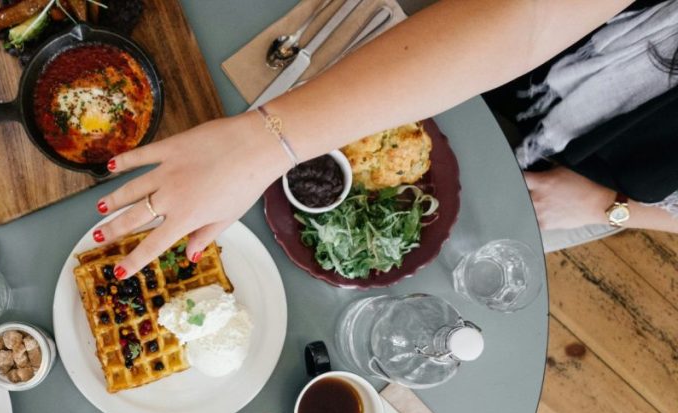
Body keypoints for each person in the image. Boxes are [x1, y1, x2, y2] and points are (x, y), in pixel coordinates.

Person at [93, 0, 677, 275]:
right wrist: (262, 143)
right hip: (468, 39)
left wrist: (610, 208)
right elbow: (531, 20)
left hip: (599, 187)